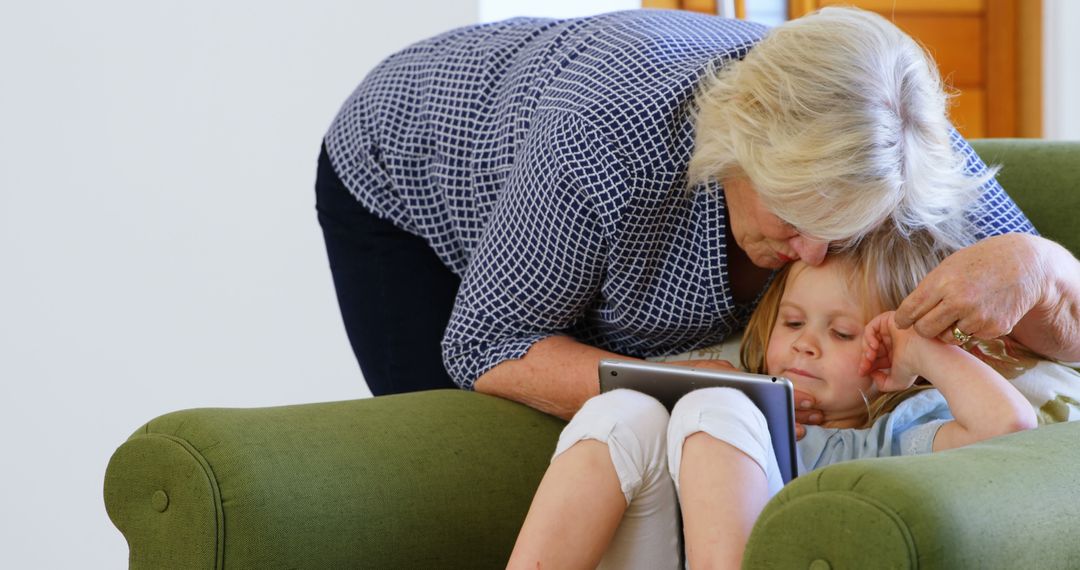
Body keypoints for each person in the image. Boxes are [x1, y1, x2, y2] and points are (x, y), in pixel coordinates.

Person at [315, 7, 1080, 407]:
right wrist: (725, 395)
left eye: (838, 229)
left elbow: (1069, 333)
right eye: (792, 218)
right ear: (732, 149)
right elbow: (489, 344)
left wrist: (1040, 266)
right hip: (411, 167)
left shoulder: (890, 134)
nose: (813, 256)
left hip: (568, 157)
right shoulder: (605, 140)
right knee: (475, 464)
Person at [505, 228, 1040, 569]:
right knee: (621, 408)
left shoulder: (891, 439)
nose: (806, 343)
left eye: (845, 334)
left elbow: (1009, 429)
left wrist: (920, 348)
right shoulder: (721, 391)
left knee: (718, 407)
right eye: (794, 322)